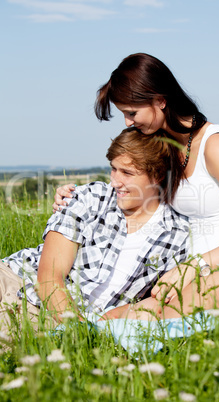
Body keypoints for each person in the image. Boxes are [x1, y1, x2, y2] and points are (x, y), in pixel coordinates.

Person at [54, 53, 219, 321]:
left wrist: (195, 265)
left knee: (158, 320)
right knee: (111, 321)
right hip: (188, 273)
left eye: (131, 112)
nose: (127, 122)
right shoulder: (163, 145)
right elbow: (129, 182)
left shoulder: (215, 146)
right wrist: (73, 195)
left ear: (160, 101)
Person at [0, 128, 189, 332]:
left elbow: (156, 300)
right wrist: (78, 329)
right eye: (113, 169)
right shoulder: (91, 197)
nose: (115, 181)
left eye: (127, 173)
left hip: (54, 315)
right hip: (20, 280)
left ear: (158, 175)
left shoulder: (176, 235)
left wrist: (93, 328)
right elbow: (49, 276)